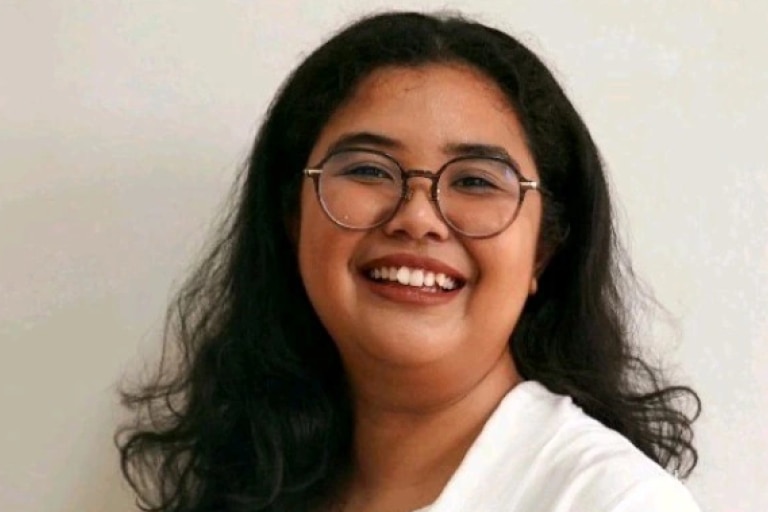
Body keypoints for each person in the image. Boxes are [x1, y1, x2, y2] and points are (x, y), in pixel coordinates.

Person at [116, 11, 702, 512]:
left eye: (475, 181)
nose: (417, 217)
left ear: (543, 249)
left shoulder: (609, 500)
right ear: (293, 219)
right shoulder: (245, 479)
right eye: (369, 170)